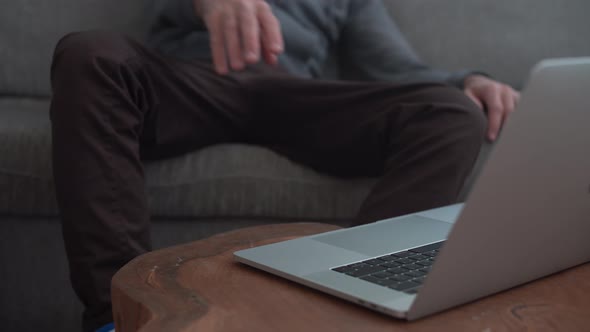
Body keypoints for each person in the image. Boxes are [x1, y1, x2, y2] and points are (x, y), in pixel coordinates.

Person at [49, 0, 519, 330]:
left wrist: (469, 79)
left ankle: (356, 307)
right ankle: (119, 317)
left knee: (452, 112)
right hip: (192, 80)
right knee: (89, 54)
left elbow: (395, 67)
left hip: (291, 94)